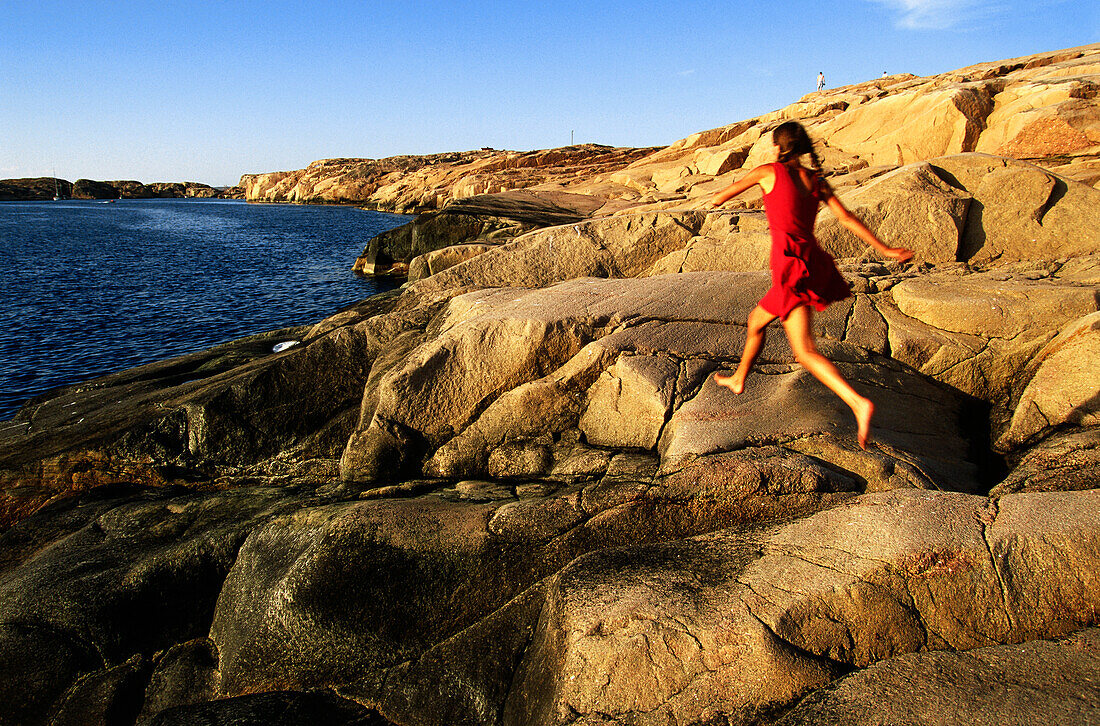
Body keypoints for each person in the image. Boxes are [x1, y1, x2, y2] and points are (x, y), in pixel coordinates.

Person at [708, 121, 913, 449]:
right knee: (756, 322)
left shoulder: (768, 172)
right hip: (811, 262)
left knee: (803, 351)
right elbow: (846, 218)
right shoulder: (815, 180)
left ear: (777, 147)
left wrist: (716, 199)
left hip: (790, 266)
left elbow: (722, 195)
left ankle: (857, 402)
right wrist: (886, 249)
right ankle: (738, 379)